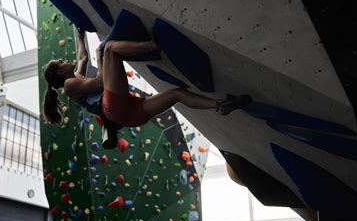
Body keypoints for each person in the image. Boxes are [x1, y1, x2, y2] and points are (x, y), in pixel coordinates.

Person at [42, 28, 251, 141]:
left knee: (178, 94)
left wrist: (79, 33)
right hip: (112, 108)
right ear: (60, 72)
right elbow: (101, 82)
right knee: (109, 50)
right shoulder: (70, 85)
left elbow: (82, 55)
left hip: (129, 114)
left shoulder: (75, 75)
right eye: (61, 61)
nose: (65, 60)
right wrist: (101, 57)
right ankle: (152, 45)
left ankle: (221, 104)